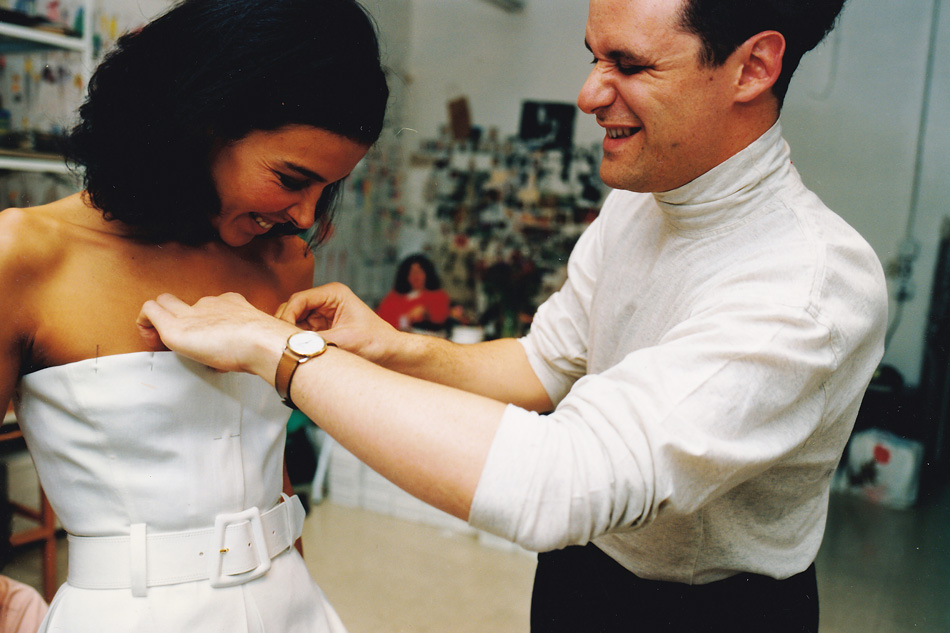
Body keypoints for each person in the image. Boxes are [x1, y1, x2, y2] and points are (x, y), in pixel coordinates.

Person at [136, 0, 888, 631]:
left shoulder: (812, 285)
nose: (590, 94)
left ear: (752, 68)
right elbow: (545, 363)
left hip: (709, 610)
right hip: (579, 576)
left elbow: (562, 479)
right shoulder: (637, 201)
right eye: (594, 57)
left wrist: (280, 351)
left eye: (629, 66)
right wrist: (394, 347)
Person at [0, 0, 388, 630]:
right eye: (291, 178)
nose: (306, 218)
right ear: (199, 123)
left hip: (293, 606)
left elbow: (270, 476)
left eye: (325, 188)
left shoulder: (282, 263)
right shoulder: (24, 257)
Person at [376, 254, 451, 331]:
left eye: (419, 272)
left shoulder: (438, 295)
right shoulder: (393, 296)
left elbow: (440, 319)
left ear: (427, 274)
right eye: (411, 272)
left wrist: (426, 312)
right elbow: (380, 320)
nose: (415, 276)